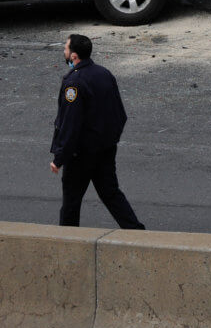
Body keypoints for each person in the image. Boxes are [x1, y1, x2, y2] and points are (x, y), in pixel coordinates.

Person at [50, 33, 145, 229]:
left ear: (74, 56)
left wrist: (59, 158)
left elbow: (70, 124)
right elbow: (119, 113)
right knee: (111, 193)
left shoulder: (73, 84)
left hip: (81, 155)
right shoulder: (104, 73)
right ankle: (137, 232)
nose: (64, 52)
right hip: (105, 149)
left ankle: (68, 241)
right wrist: (110, 141)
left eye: (66, 48)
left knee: (71, 202)